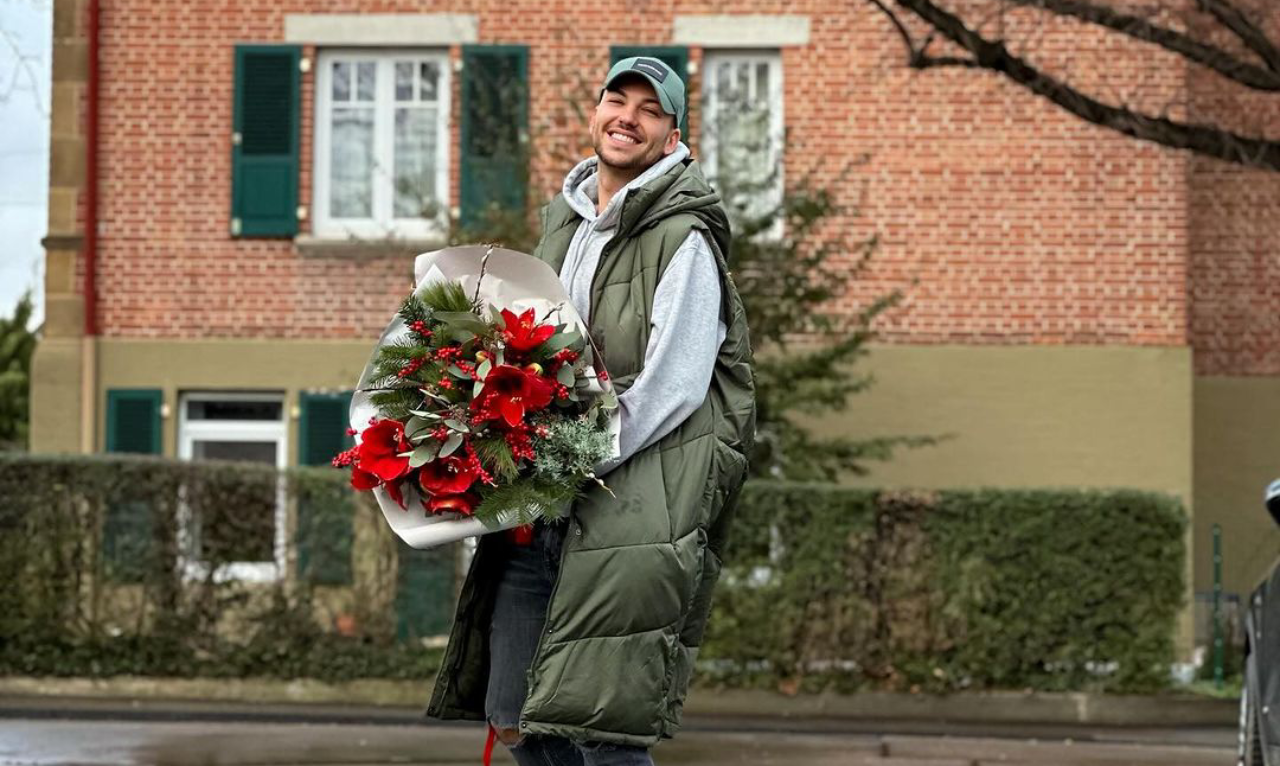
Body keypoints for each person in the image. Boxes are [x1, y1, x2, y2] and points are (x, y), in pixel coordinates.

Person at [427, 56, 756, 766]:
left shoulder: (685, 239)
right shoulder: (563, 227)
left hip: (629, 511)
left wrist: (573, 455)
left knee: (604, 728)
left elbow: (676, 384)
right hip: (541, 508)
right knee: (514, 713)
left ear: (672, 138)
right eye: (618, 99)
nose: (628, 117)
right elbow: (530, 348)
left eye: (649, 109)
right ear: (596, 113)